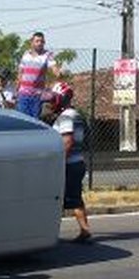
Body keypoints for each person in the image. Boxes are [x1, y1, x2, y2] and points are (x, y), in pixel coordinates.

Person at [51, 81, 92, 243]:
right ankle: (84, 230)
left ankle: (83, 231)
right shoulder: (77, 115)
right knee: (74, 197)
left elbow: (67, 141)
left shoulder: (66, 117)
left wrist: (59, 161)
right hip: (77, 162)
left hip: (69, 164)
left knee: (63, 198)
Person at [16, 31, 61, 119]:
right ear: (32, 42)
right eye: (37, 41)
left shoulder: (47, 55)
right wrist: (16, 91)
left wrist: (58, 72)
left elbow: (54, 68)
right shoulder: (25, 54)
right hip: (23, 94)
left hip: (36, 95)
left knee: (34, 122)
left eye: (42, 41)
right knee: (22, 120)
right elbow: (20, 73)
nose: (40, 43)